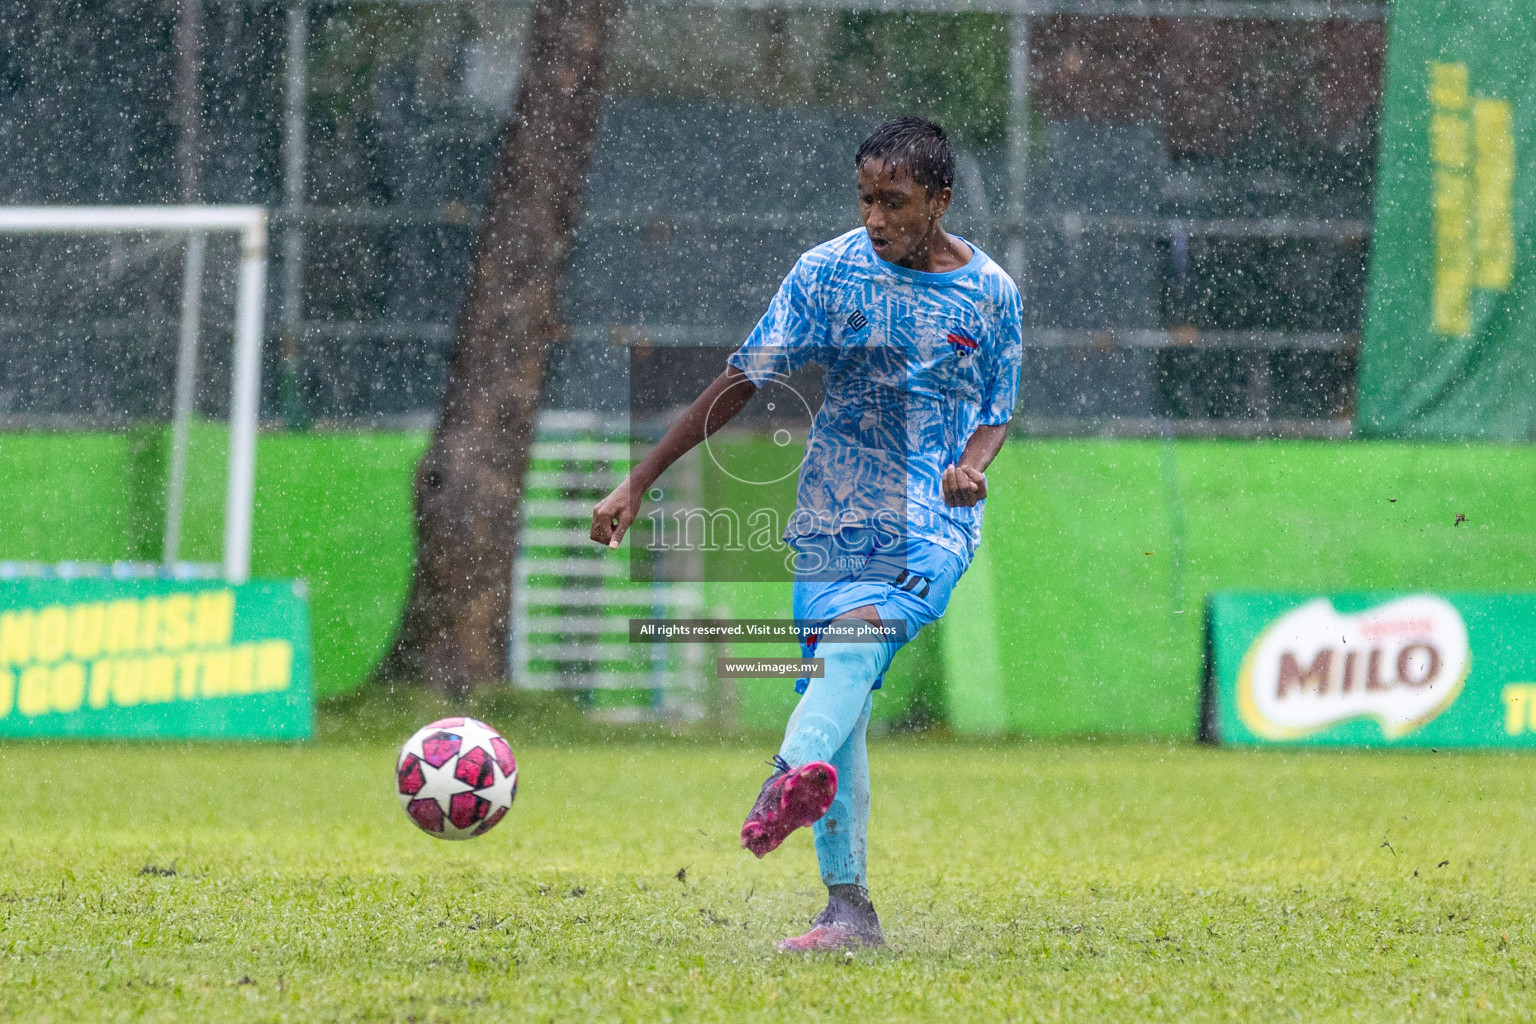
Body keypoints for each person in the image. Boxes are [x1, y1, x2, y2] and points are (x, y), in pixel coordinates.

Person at [591, 116, 1023, 952]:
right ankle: (848, 909)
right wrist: (639, 480)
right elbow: (741, 380)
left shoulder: (991, 293)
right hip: (831, 518)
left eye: (894, 203)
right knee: (842, 695)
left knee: (850, 650)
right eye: (865, 199)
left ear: (938, 201)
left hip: (930, 522)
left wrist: (973, 466)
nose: (875, 219)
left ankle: (787, 776)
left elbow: (996, 409)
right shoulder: (826, 274)